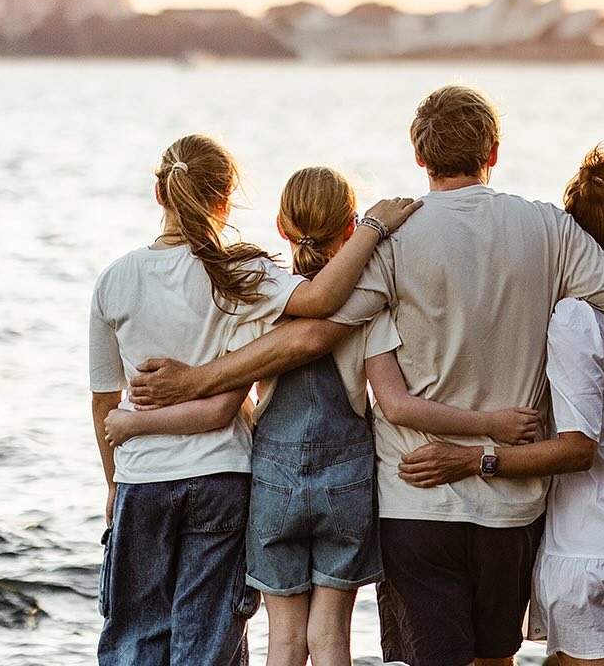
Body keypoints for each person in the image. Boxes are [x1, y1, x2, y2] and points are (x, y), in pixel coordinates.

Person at [128, 86, 604, 666]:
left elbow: (314, 333)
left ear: (420, 156)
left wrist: (197, 380)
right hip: (512, 506)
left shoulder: (397, 238)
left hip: (414, 498)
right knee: (495, 659)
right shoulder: (549, 229)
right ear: (493, 152)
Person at [105, 166, 538, 666]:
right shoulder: (365, 310)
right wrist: (491, 425)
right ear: (349, 230)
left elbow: (232, 389)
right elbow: (392, 401)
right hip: (348, 482)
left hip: (273, 481)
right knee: (331, 638)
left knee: (285, 643)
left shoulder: (263, 303)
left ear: (282, 227)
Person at [89, 135, 420, 666]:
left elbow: (104, 402)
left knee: (137, 637)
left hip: (153, 481)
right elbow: (317, 306)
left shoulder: (114, 280)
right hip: (226, 475)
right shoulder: (239, 275)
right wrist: (374, 232)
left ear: (159, 195)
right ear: (225, 199)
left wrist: (114, 477)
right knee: (218, 640)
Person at [398, 146, 604, 666]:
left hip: (589, 543)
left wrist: (473, 458)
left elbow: (578, 450)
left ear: (574, 236)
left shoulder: (577, 319)